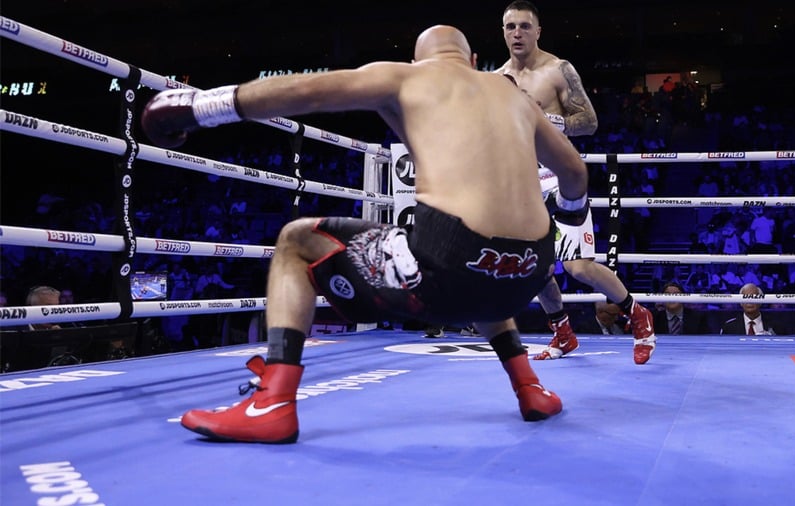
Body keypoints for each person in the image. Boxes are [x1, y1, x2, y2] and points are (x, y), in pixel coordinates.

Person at [141, 24, 589, 443]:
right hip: (528, 274)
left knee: (297, 241)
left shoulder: (407, 78)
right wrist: (568, 213)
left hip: (452, 266)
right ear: (472, 60)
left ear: (418, 63)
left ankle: (272, 404)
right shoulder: (513, 95)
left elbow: (303, 91)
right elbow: (574, 172)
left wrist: (198, 108)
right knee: (482, 262)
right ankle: (529, 387)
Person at [495, 0, 655, 364]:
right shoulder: (497, 79)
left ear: (538, 31)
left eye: (524, 26)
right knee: (533, 269)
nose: (517, 33)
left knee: (577, 267)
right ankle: (562, 333)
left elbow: (590, 121)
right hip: (522, 186)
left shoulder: (557, 70)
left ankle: (636, 313)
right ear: (503, 32)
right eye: (510, 27)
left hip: (561, 179)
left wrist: (546, 118)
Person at [720, 283, 784, 335]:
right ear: (740, 303)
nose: (749, 302)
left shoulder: (776, 326)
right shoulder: (729, 327)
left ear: (761, 301)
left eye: (753, 297)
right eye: (746, 298)